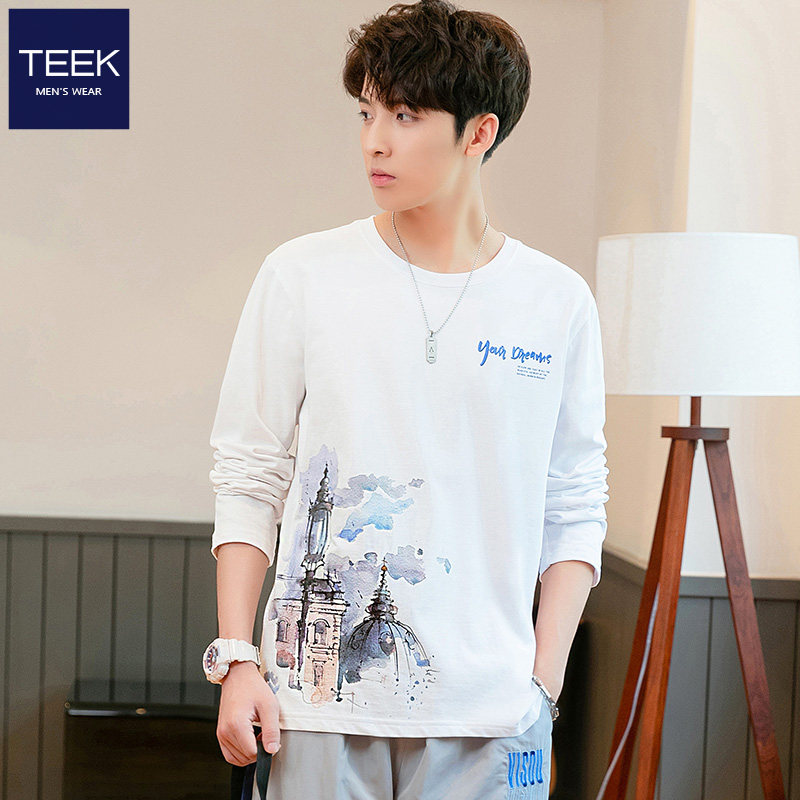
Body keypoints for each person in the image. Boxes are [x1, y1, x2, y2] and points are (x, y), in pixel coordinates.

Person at [203, 1, 610, 797]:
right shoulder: (302, 276)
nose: (375, 140)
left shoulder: (554, 301)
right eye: (367, 113)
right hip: (315, 708)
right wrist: (238, 659)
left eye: (406, 115)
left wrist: (543, 684)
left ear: (479, 132)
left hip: (492, 717)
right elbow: (249, 475)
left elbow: (573, 501)